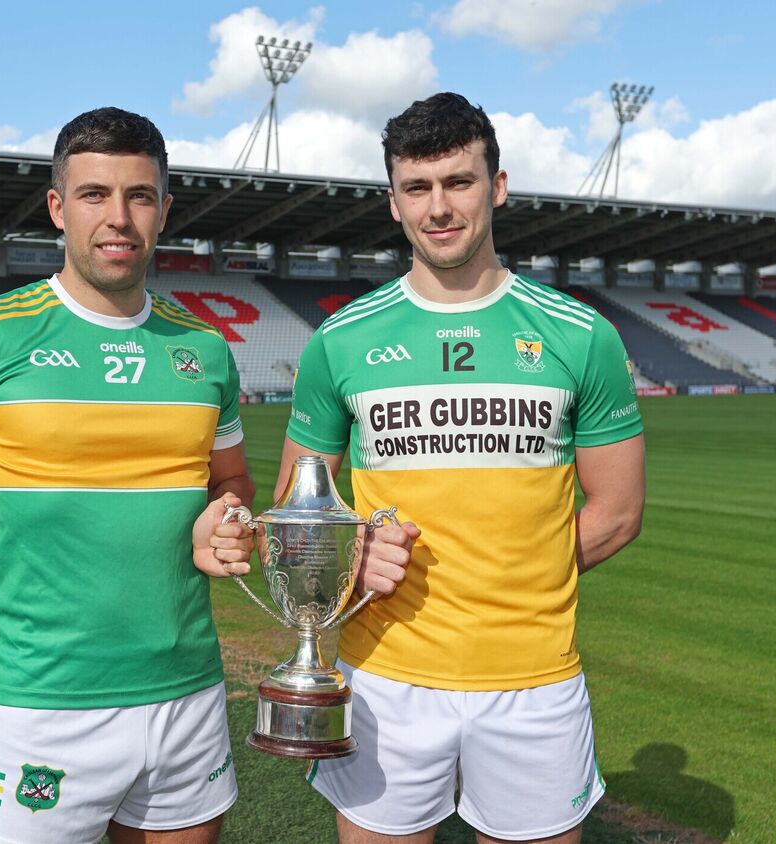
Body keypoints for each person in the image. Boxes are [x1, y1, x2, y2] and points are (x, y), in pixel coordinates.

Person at [0, 107, 256, 844]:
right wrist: (13, 554)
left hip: (186, 691)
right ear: (57, 208)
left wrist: (221, 517)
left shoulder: (204, 348)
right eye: (94, 194)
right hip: (45, 697)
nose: (119, 218)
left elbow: (230, 484)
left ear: (165, 211)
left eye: (140, 196)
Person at [276, 92, 645, 843]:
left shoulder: (583, 336)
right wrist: (351, 562)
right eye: (418, 187)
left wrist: (520, 573)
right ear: (394, 202)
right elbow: (295, 507)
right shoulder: (339, 341)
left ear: (497, 187)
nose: (438, 207)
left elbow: (616, 511)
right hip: (386, 677)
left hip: (534, 682)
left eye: (459, 182)